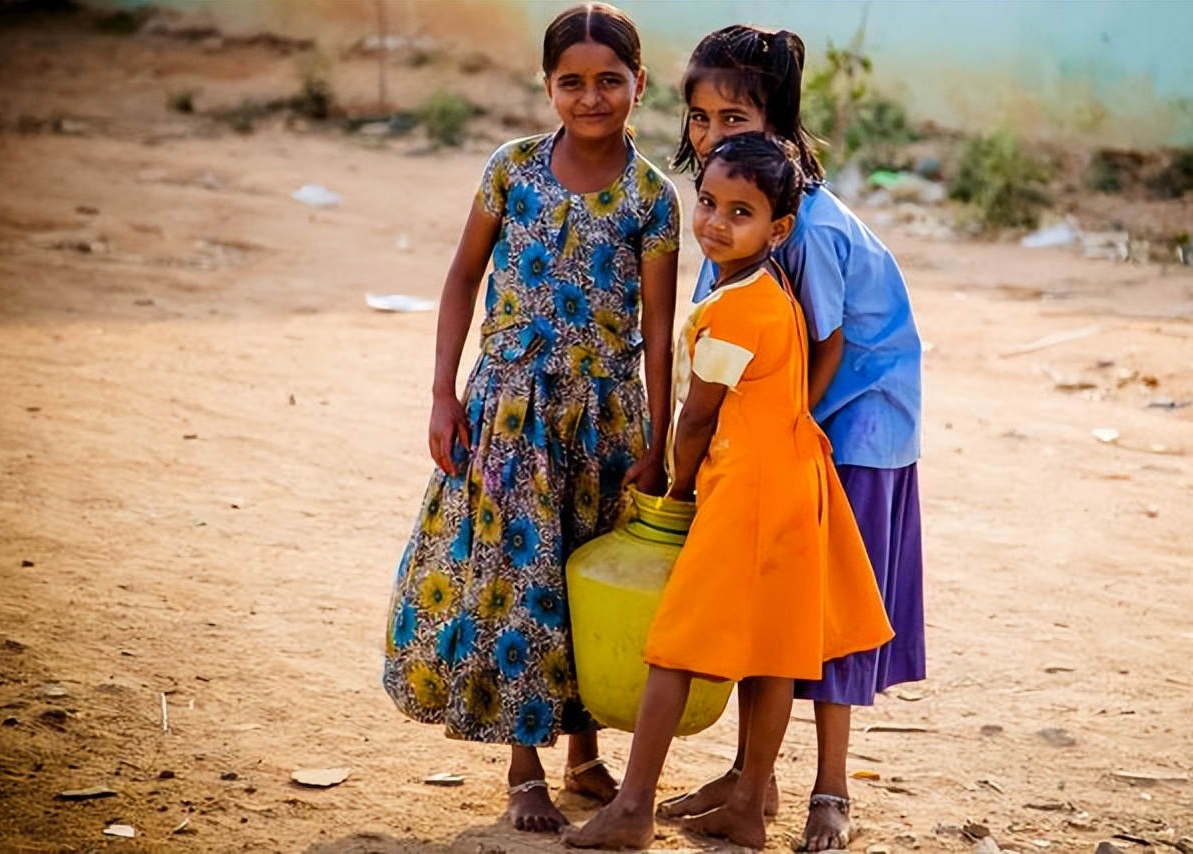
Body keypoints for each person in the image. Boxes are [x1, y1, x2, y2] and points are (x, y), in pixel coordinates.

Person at [381, 2, 680, 835]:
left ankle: (585, 759)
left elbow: (659, 329)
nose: (591, 98)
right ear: (547, 86)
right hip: (510, 413)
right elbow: (459, 280)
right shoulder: (510, 170)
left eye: (609, 81)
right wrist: (443, 393)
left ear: (639, 84)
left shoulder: (652, 198)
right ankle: (524, 770)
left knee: (584, 580)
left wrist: (656, 441)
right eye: (572, 82)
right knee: (520, 585)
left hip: (605, 422)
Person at [563, 133, 893, 852]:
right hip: (794, 484)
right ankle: (748, 805)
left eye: (739, 212)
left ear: (777, 230)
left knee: (674, 647)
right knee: (774, 651)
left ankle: (633, 808)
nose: (713, 221)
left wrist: (677, 488)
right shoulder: (771, 291)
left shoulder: (735, 308)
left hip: (747, 491)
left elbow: (697, 417)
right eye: (708, 201)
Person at [657, 25, 926, 853]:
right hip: (794, 430)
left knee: (827, 612)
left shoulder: (805, 226)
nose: (711, 137)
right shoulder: (737, 201)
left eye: (732, 116)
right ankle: (752, 779)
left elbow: (829, 346)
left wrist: (780, 435)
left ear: (777, 118)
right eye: (699, 118)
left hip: (853, 426)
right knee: (770, 602)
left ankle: (831, 791)